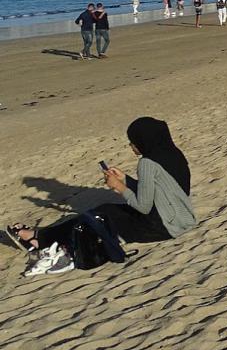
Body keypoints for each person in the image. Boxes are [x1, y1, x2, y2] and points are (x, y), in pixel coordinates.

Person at [9, 117, 197, 275]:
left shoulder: (147, 163)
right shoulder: (172, 154)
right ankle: (40, 237)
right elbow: (164, 191)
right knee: (104, 211)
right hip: (182, 217)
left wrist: (119, 188)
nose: (131, 145)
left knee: (96, 217)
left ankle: (37, 238)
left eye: (133, 141)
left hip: (161, 226)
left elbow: (143, 206)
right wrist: (125, 179)